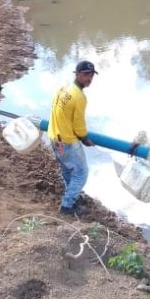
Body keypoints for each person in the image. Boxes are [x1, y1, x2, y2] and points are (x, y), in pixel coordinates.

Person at [47, 61, 98, 215]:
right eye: (85, 74)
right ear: (77, 74)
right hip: (67, 141)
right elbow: (79, 125)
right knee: (81, 173)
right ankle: (67, 206)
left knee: (68, 170)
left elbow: (54, 106)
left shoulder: (64, 87)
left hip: (54, 136)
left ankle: (71, 198)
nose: (89, 78)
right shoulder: (79, 97)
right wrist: (84, 139)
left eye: (91, 75)